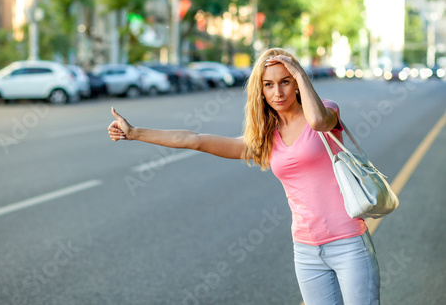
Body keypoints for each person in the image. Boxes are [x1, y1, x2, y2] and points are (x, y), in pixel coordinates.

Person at [108, 48, 380, 304]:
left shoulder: (325, 112)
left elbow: (319, 121)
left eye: (286, 81)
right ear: (260, 91)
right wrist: (135, 133)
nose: (278, 92)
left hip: (348, 243)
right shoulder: (267, 138)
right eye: (269, 84)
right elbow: (195, 140)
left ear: (298, 83)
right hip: (306, 250)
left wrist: (298, 70)